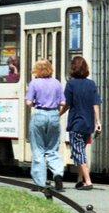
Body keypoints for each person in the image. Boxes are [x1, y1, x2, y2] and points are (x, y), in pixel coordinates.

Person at [26, 59, 67, 190]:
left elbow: (28, 102)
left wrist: (34, 103)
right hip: (54, 115)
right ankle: (57, 174)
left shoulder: (34, 83)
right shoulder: (56, 83)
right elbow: (63, 102)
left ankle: (40, 183)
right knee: (52, 148)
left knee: (38, 150)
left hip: (39, 114)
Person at [64, 55, 102, 190]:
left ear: (73, 68)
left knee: (78, 152)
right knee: (81, 150)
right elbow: (96, 104)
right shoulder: (91, 84)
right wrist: (98, 122)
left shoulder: (71, 84)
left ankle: (88, 181)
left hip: (76, 123)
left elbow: (67, 104)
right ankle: (80, 179)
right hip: (88, 124)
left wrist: (59, 113)